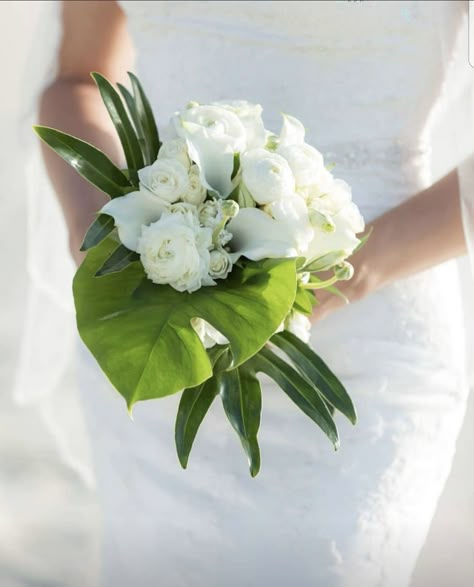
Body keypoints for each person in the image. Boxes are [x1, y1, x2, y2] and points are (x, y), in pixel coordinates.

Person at [30, 1, 473, 585]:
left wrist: (348, 271)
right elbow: (76, 81)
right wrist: (98, 235)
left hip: (370, 346)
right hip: (158, 314)